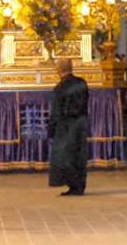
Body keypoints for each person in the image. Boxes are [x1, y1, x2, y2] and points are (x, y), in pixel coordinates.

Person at [48, 58, 89, 196]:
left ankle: (73, 185)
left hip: (66, 125)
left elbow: (56, 111)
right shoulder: (82, 83)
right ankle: (80, 185)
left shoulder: (60, 88)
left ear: (59, 70)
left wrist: (51, 129)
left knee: (67, 156)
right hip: (82, 122)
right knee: (80, 154)